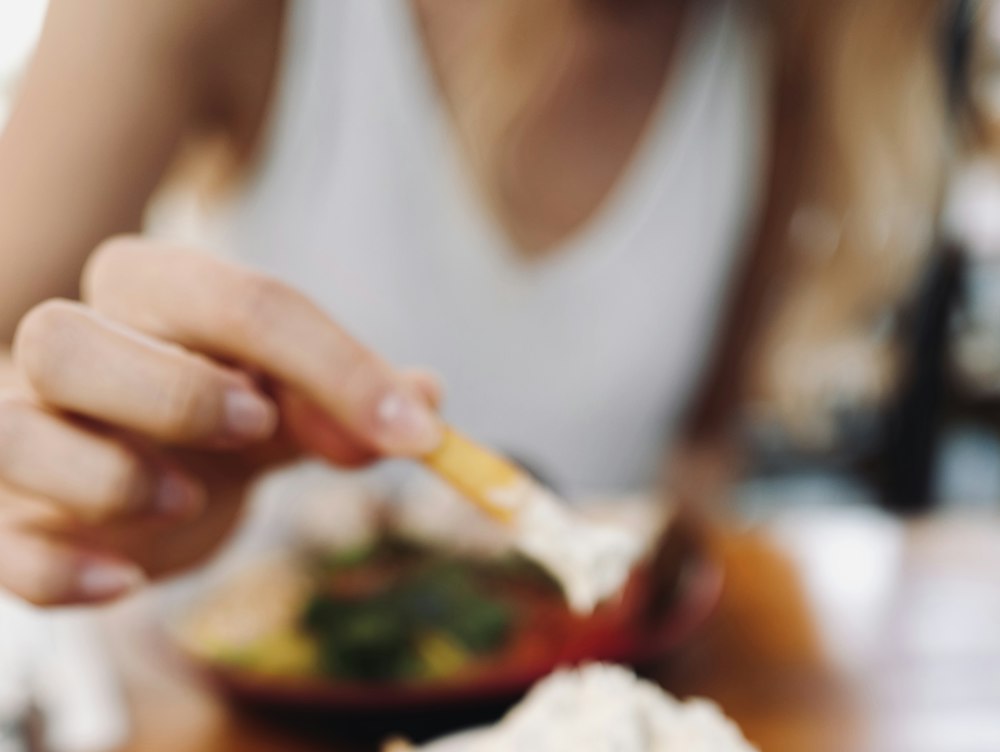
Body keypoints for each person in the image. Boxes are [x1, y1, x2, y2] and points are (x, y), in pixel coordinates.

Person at [0, 0, 955, 607]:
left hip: (548, 749)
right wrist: (61, 465)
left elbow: (699, 450)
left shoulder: (787, 47)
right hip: (189, 735)